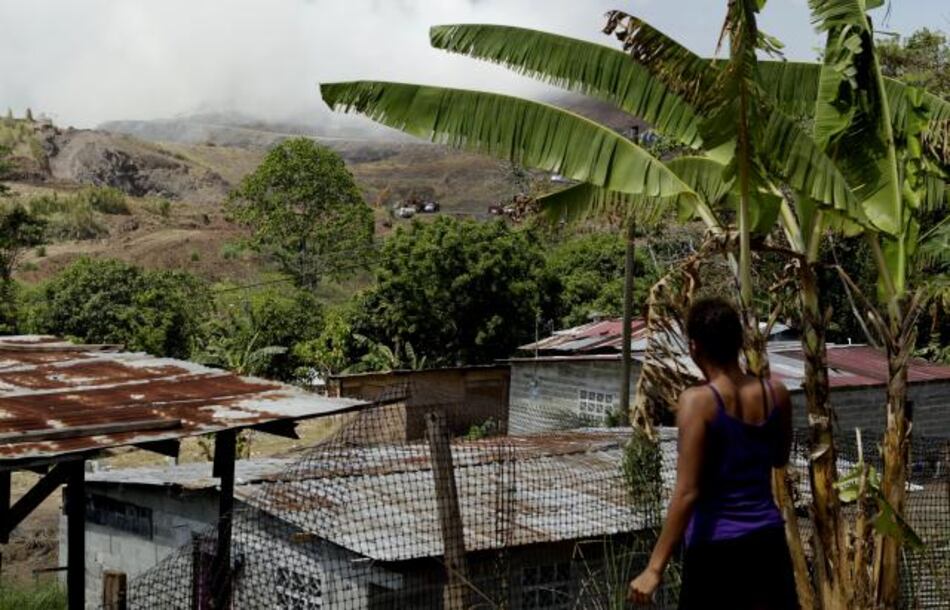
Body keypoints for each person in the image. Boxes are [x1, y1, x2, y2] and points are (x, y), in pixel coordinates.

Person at [628, 297, 799, 610]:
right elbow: (779, 457)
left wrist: (654, 569)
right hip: (768, 546)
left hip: (715, 549)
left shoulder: (698, 402)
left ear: (694, 347)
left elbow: (688, 491)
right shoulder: (777, 394)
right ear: (738, 341)